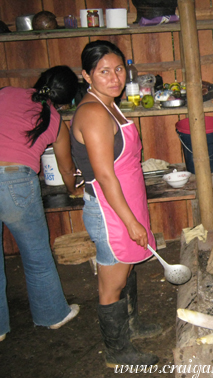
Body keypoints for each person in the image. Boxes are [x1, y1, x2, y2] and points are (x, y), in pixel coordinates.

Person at [71, 40, 161, 368]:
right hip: (109, 210)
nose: (114, 77)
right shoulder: (94, 112)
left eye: (119, 69)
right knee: (112, 284)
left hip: (126, 202)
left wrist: (136, 216)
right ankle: (116, 352)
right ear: (87, 75)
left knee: (128, 267)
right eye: (103, 71)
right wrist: (132, 222)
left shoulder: (109, 103)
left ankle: (132, 325)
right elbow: (107, 177)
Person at [0, 66, 81, 342]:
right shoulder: (56, 120)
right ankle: (52, 316)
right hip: (16, 182)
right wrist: (73, 191)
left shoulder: (6, 92)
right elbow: (66, 167)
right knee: (36, 257)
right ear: (66, 99)